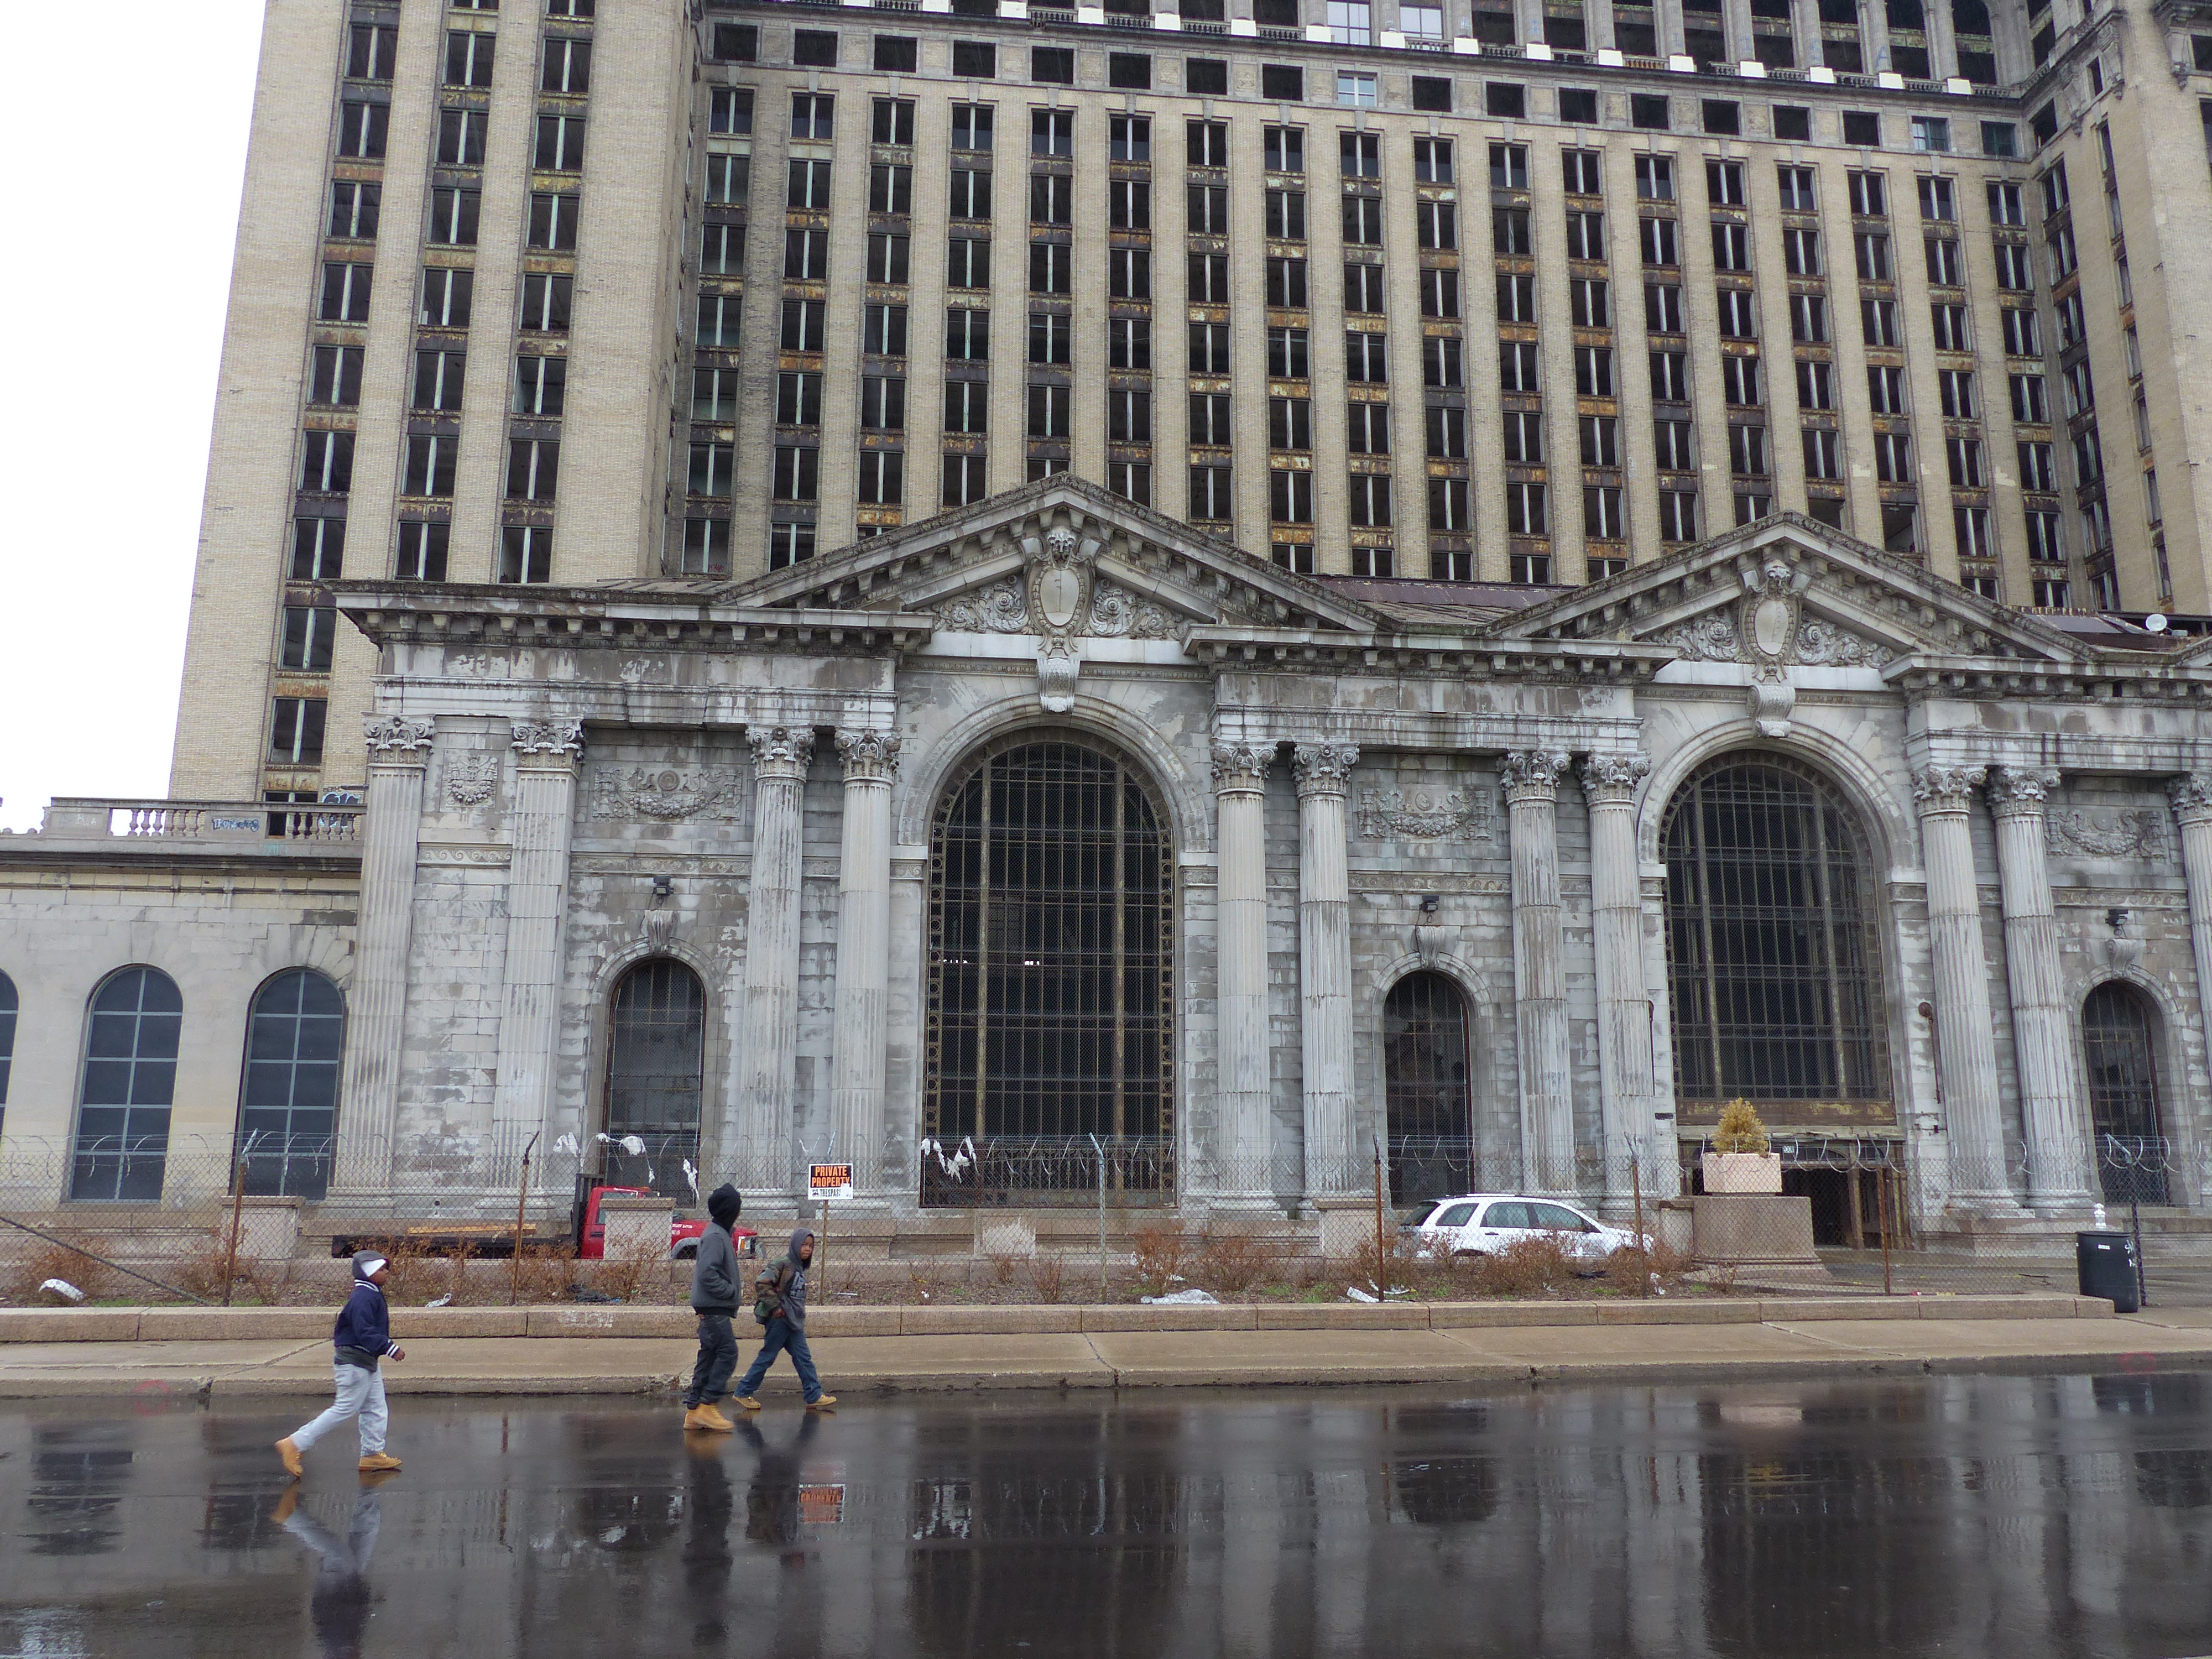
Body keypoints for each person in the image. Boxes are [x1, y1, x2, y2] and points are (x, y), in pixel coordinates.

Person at [276, 1251, 406, 1478]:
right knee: (345, 1408)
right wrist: (389, 1347)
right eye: (382, 1269)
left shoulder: (371, 1293)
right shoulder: (363, 1297)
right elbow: (364, 1330)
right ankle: (295, 1443)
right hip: (354, 1363)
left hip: (366, 1360)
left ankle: (372, 1453)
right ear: (368, 1272)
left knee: (375, 1408)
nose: (387, 1273)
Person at [271, 1477, 389, 1659]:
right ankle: (369, 1488)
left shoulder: (337, 1646)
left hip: (337, 1589)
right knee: (364, 1534)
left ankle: (291, 1517)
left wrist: (364, 1603)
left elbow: (336, 1617)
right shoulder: (341, 1646)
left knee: (336, 1552)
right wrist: (369, 1601)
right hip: (351, 1586)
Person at [731, 1228, 836, 1412]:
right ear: (795, 1245)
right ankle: (743, 1392)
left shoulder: (799, 1268)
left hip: (793, 1321)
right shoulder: (783, 1264)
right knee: (768, 1357)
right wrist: (776, 1308)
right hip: (779, 1321)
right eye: (804, 1245)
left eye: (811, 1246)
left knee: (803, 1358)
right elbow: (762, 1283)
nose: (808, 1249)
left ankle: (814, 1395)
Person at [681, 1183, 747, 1432]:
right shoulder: (716, 1236)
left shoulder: (718, 1233)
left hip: (712, 1307)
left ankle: (694, 1410)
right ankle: (708, 1406)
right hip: (714, 1307)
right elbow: (708, 1273)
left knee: (708, 1357)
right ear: (731, 1210)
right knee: (728, 1353)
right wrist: (730, 1291)